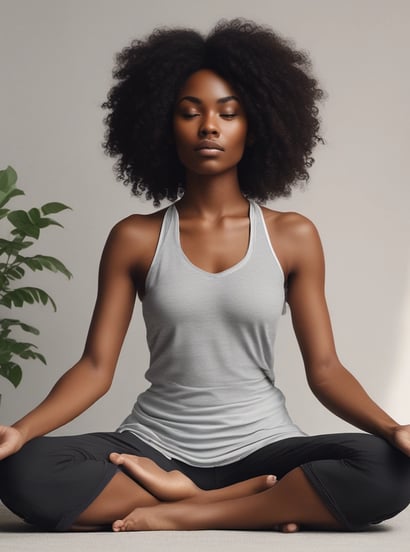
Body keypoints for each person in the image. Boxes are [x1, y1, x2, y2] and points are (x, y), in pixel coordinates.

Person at [0, 18, 409, 533]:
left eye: (228, 113)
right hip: (153, 448)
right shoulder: (136, 237)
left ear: (254, 126)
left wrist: (393, 430)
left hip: (265, 448)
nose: (209, 126)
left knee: (387, 470)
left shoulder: (292, 236)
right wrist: (20, 430)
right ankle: (250, 506)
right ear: (162, 126)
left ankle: (186, 512)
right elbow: (95, 367)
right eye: (189, 113)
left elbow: (325, 369)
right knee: (25, 472)